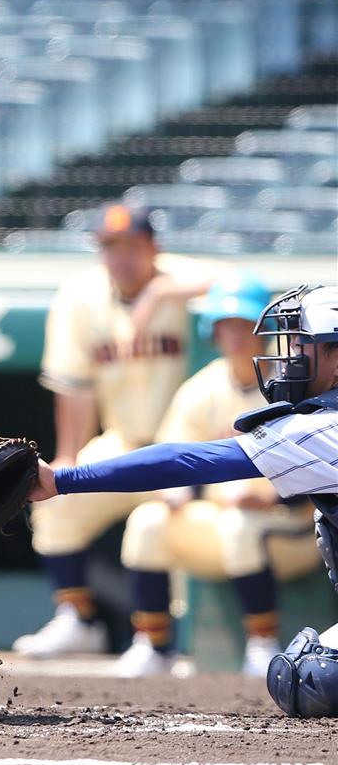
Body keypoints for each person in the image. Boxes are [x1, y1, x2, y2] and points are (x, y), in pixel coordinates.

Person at [30, 284, 338, 718]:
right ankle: (152, 642)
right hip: (229, 514)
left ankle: (258, 642)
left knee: (307, 677)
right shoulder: (215, 389)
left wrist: (62, 479)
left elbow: (184, 461)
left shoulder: (323, 427)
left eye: (303, 345)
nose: (290, 357)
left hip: (278, 525)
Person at [16, 202, 220, 658]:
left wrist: (161, 292)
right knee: (54, 502)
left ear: (153, 248)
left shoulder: (176, 278)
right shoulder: (80, 296)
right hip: (124, 443)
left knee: (166, 531)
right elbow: (74, 388)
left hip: (189, 451)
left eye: (131, 246)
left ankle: (170, 643)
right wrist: (69, 454)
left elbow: (240, 286)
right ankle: (79, 618)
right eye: (110, 247)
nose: (121, 258)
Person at [115, 274, 319, 678]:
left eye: (244, 325)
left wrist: (274, 498)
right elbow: (173, 456)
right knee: (147, 522)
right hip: (222, 522)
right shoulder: (202, 388)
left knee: (242, 524)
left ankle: (263, 646)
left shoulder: (294, 385)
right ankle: (153, 645)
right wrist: (177, 492)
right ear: (213, 331)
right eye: (226, 326)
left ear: (263, 331)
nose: (235, 336)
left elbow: (322, 466)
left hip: (295, 527)